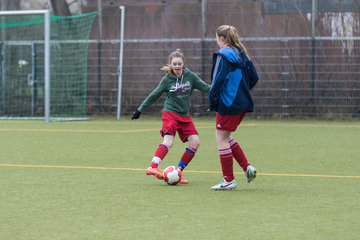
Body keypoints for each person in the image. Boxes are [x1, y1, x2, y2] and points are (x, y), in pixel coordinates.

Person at [132, 49, 211, 184]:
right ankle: (153, 167)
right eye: (174, 64)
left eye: (179, 64)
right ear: (170, 64)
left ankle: (178, 171)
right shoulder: (166, 80)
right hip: (170, 114)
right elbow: (154, 94)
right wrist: (140, 109)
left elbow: (207, 88)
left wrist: (222, 91)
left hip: (185, 116)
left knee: (195, 142)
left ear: (183, 64)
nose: (177, 66)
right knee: (169, 141)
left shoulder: (190, 77)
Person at [209, 25, 259, 190]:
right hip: (242, 103)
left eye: (216, 38)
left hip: (228, 103)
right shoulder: (242, 53)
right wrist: (242, 92)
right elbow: (254, 78)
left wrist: (213, 101)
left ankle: (228, 180)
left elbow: (217, 81)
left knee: (221, 139)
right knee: (226, 136)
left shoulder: (223, 55)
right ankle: (247, 167)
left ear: (222, 39)